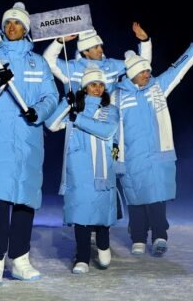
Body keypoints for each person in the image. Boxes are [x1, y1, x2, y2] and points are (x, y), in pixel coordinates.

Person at [0, 1, 59, 285]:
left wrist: (39, 112)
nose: (12, 27)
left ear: (26, 29)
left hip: (28, 140)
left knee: (24, 201)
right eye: (8, 23)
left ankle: (20, 260)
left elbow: (51, 96)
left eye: (18, 23)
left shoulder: (39, 62)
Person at [115, 40, 193, 256]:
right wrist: (115, 159)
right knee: (136, 199)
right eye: (143, 71)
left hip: (157, 155)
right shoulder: (117, 96)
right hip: (131, 158)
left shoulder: (156, 88)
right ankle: (138, 238)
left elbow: (177, 71)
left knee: (156, 196)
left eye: (148, 70)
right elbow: (112, 131)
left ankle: (159, 236)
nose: (148, 74)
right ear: (132, 74)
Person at [46, 66, 120, 274]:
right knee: (81, 213)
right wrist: (66, 104)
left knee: (101, 211)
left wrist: (77, 118)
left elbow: (107, 131)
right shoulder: (74, 108)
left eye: (101, 85)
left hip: (102, 170)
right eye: (93, 84)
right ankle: (82, 258)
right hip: (78, 170)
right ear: (85, 87)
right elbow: (51, 124)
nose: (97, 88)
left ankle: (103, 245)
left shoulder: (110, 110)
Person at [43, 22, 152, 89]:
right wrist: (59, 41)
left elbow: (142, 66)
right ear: (85, 52)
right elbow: (47, 61)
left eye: (100, 46)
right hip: (82, 117)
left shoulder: (112, 65)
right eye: (96, 47)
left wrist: (145, 41)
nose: (101, 50)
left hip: (110, 116)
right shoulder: (73, 68)